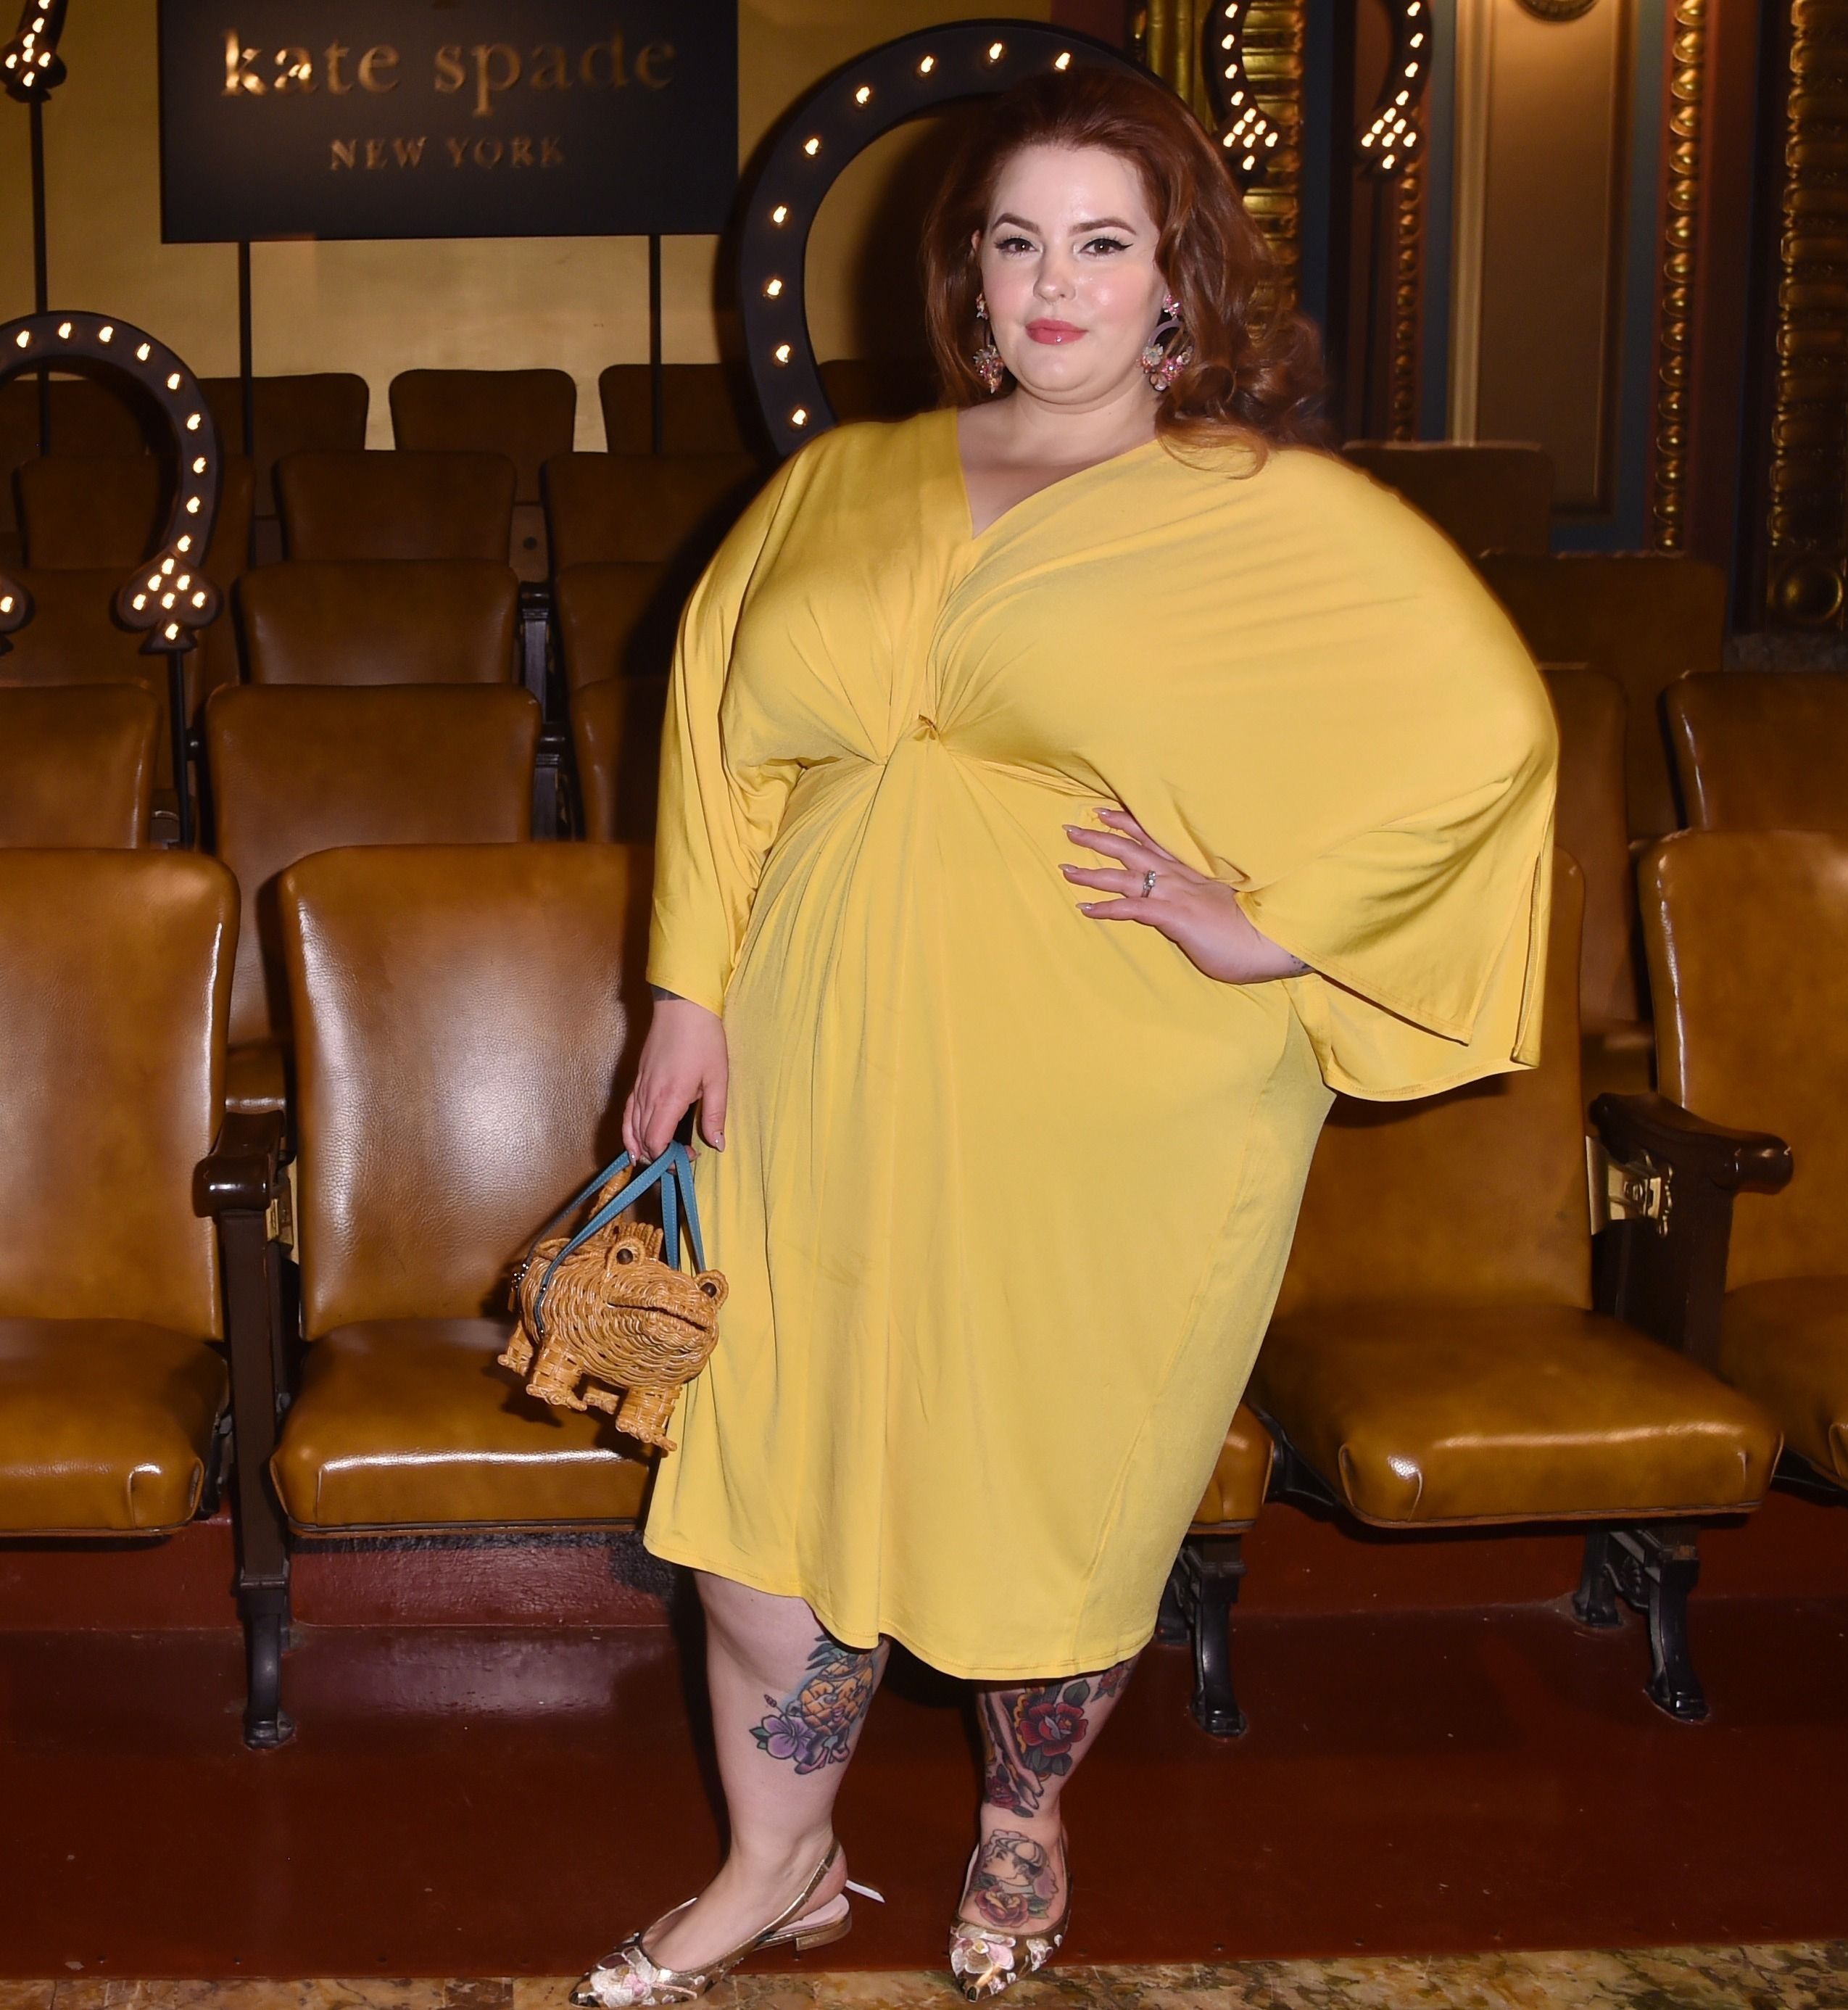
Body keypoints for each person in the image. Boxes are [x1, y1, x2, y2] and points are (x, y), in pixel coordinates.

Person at [574, 61, 1557, 2009]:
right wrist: (687, 990)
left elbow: (1488, 738)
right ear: (968, 271)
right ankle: (775, 1862)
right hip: (818, 1054)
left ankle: (1024, 1820)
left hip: (1119, 1085)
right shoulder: (840, 480)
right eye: (1015, 242)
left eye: (1103, 245)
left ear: (1179, 281)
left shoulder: (1272, 512)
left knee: (1059, 1477)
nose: (1052, 285)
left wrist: (1265, 924)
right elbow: (713, 730)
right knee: (758, 1482)